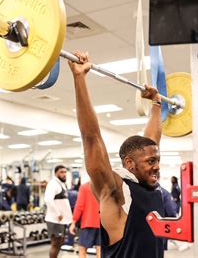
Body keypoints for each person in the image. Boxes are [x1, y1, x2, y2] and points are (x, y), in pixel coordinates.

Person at [69, 51, 165, 257]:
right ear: (130, 163)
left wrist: (156, 104)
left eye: (157, 160)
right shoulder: (114, 190)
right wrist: (79, 78)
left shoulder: (148, 183)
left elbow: (152, 141)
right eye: (151, 161)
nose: (157, 166)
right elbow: (91, 137)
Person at [44, 165, 73, 258]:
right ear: (56, 173)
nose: (64, 174)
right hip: (55, 220)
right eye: (61, 172)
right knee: (55, 244)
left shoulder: (60, 184)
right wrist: (58, 214)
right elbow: (48, 199)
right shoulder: (53, 184)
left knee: (60, 242)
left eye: (65, 172)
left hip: (61, 221)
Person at [69, 181, 101, 258]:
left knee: (82, 249)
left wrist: (73, 222)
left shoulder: (85, 187)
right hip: (102, 223)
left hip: (88, 223)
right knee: (100, 249)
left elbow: (79, 206)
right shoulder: (104, 187)